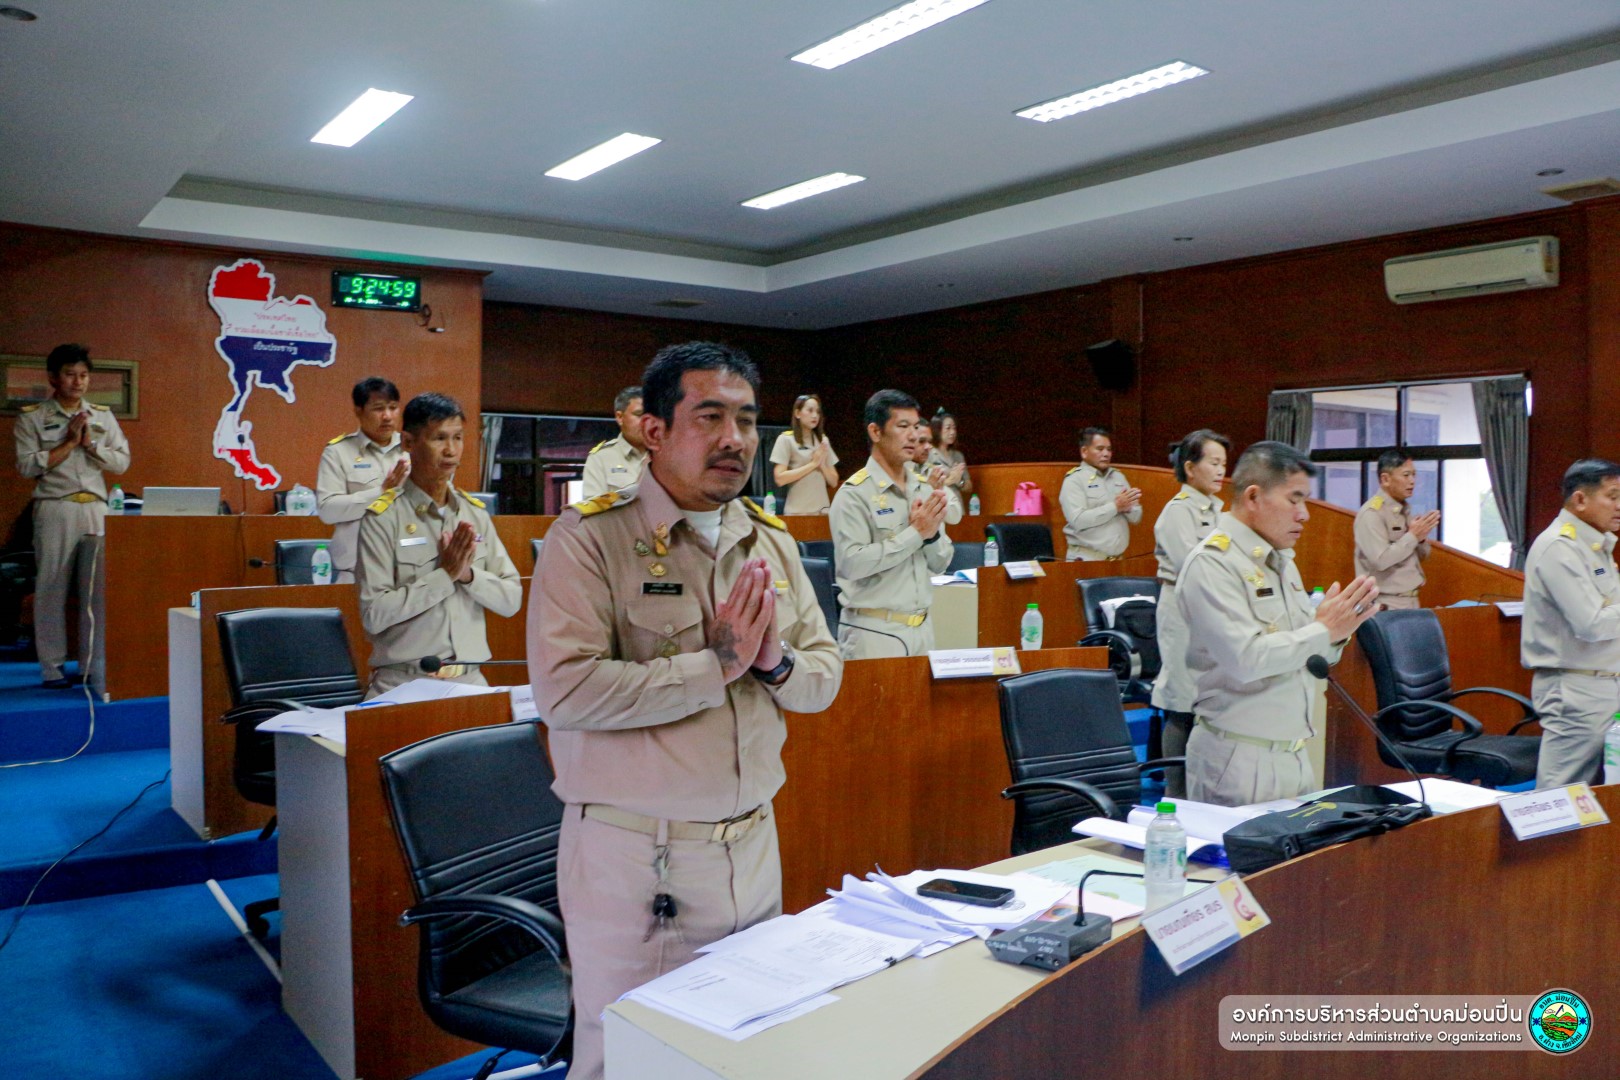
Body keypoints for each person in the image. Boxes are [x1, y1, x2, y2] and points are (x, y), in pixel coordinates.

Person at [528, 341, 842, 1080]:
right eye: (710, 417)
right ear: (654, 430)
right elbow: (564, 691)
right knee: (627, 1060)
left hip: (752, 845)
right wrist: (717, 667)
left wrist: (774, 663)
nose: (735, 439)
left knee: (738, 1056)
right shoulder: (590, 539)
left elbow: (824, 678)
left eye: (746, 419)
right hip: (639, 860)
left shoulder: (769, 541)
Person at [1178, 441, 1379, 807]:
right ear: (1253, 496)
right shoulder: (1213, 563)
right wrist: (1323, 631)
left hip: (1295, 752)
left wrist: (1335, 634)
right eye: (1294, 499)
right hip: (1238, 757)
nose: (1304, 514)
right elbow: (1246, 660)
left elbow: (1305, 650)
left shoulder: (1280, 559)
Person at [355, 393, 520, 698]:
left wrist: (468, 575)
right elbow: (374, 615)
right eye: (439, 438)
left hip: (470, 680)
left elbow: (511, 600)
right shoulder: (383, 517)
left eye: (457, 438)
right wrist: (444, 576)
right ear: (408, 442)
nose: (451, 451)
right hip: (404, 684)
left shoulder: (475, 514)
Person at [13, 343, 129, 689]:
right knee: (51, 588)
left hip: (95, 506)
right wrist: (68, 443)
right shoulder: (33, 417)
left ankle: (92, 666)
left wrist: (90, 445)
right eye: (69, 375)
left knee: (96, 591)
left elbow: (122, 462)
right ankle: (52, 667)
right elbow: (25, 465)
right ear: (53, 378)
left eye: (83, 375)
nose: (78, 382)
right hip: (56, 506)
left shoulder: (102, 416)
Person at [829, 389, 953, 659]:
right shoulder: (854, 493)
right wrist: (915, 534)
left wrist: (930, 537)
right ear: (875, 432)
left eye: (916, 426)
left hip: (922, 629)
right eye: (903, 426)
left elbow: (941, 562)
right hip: (873, 631)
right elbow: (852, 564)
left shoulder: (922, 487)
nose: (913, 435)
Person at [1521, 459, 1620, 790]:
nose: (1619, 506)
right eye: (1613, 496)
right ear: (1580, 500)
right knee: (1562, 799)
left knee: (1597, 799)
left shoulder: (1596, 545)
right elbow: (1591, 624)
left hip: (1603, 684)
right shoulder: (1558, 547)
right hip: (1576, 690)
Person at [1149, 428, 1230, 797]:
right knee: (1182, 702)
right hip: (1182, 610)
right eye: (1213, 463)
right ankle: (1175, 793)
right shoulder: (1176, 512)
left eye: (1224, 464)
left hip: (1213, 612)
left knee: (1207, 700)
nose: (1220, 471)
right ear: (1190, 467)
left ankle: (1201, 789)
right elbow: (1194, 568)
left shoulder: (1218, 511)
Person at [316, 377, 408, 583]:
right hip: (359, 576)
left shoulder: (414, 450)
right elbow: (327, 510)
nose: (387, 416)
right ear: (358, 410)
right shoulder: (338, 452)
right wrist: (381, 492)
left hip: (409, 575)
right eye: (378, 408)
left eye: (393, 408)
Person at [1353, 451, 1440, 610]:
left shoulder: (1403, 510)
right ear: (1385, 479)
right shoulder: (1372, 513)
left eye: (1414, 475)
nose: (1412, 481)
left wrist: (1420, 539)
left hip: (1410, 599)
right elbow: (1381, 561)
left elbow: (1422, 556)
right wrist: (1413, 536)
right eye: (1406, 475)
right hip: (1385, 602)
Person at [1061, 427, 1142, 560]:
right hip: (1086, 559)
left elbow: (1136, 518)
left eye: (1109, 449)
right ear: (1084, 451)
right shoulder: (1074, 480)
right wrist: (1115, 507)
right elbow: (1078, 520)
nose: (1106, 454)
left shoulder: (1118, 477)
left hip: (1118, 560)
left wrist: (1129, 509)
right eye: (1100, 449)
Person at [768, 393, 839, 514]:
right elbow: (780, 478)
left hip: (822, 512)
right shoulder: (786, 439)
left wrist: (821, 465)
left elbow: (834, 482)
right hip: (797, 512)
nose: (815, 415)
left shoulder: (823, 440)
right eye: (810, 410)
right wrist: (813, 464)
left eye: (817, 411)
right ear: (797, 413)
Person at [581, 385, 647, 498]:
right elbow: (594, 511)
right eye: (639, 415)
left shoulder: (667, 455)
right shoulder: (601, 458)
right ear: (620, 417)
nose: (646, 422)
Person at [910, 423, 963, 525]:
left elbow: (955, 516)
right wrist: (929, 489)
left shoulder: (931, 471)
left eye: (930, 442)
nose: (928, 447)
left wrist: (937, 490)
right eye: (921, 441)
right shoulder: (900, 473)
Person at [930, 407, 971, 499]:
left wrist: (959, 482)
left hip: (957, 505)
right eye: (948, 428)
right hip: (939, 505)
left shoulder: (958, 456)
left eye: (954, 428)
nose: (952, 432)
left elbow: (969, 487)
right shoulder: (929, 454)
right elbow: (925, 486)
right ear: (937, 430)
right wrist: (950, 480)